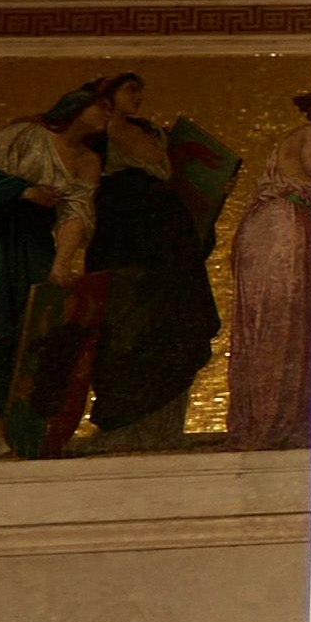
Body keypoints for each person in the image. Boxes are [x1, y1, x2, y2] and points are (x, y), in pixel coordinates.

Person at [0, 80, 109, 461]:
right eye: (102, 105)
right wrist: (22, 192)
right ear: (77, 105)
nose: (108, 114)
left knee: (24, 337)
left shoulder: (89, 160)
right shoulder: (26, 135)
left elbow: (77, 212)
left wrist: (62, 264)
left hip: (30, 247)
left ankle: (12, 434)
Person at [82, 73, 230, 451]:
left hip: (168, 238)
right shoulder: (95, 136)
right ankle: (124, 426)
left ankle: (162, 428)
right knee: (127, 328)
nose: (139, 98)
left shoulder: (155, 134)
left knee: (177, 325)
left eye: (141, 91)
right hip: (125, 234)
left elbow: (182, 181)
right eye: (131, 89)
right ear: (108, 95)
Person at [227, 87, 311, 450]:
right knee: (281, 324)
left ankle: (270, 420)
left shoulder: (303, 134)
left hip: (277, 227)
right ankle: (273, 422)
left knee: (277, 324)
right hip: (281, 231)